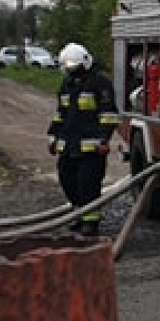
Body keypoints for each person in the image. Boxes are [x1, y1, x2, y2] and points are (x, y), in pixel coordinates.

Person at [47, 42, 121, 236]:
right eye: (68, 68)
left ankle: (91, 223)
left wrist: (104, 139)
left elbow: (109, 114)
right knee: (66, 179)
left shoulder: (100, 83)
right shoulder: (67, 84)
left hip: (91, 148)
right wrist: (53, 136)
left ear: (85, 63)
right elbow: (60, 114)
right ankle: (78, 215)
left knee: (88, 184)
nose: (71, 72)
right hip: (69, 144)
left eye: (74, 68)